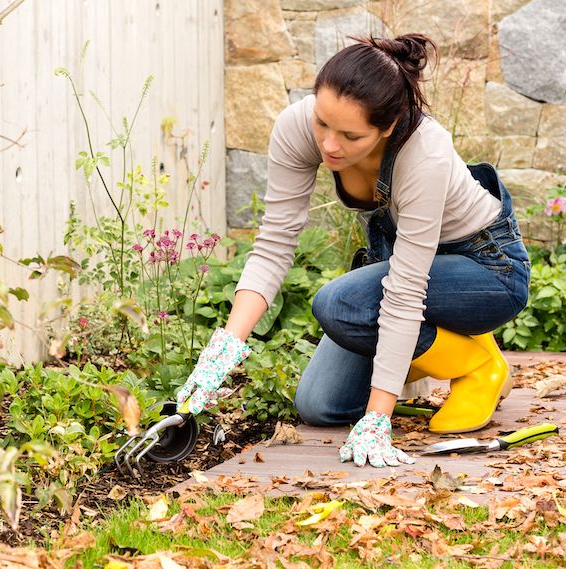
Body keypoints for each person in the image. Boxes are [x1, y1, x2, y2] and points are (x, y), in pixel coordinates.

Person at [176, 33, 530, 468]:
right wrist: (225, 348)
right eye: (322, 122)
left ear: (390, 125)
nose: (329, 144)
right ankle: (451, 345)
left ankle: (477, 365)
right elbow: (274, 243)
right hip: (409, 269)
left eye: (350, 135)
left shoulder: (425, 151)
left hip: (487, 270)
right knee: (320, 406)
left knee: (341, 304)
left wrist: (377, 419)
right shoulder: (297, 127)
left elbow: (404, 291)